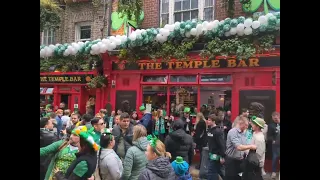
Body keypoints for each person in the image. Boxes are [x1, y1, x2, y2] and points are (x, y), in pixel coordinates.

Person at [206, 114, 225, 180]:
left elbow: (221, 144)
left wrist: (222, 156)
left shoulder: (217, 131)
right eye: (207, 119)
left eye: (209, 120)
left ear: (214, 121)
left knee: (211, 172)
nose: (207, 121)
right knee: (217, 171)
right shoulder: (209, 130)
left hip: (216, 155)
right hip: (210, 154)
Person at [267, 111, 280, 179]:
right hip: (275, 145)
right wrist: (273, 140)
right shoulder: (270, 125)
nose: (275, 119)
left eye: (277, 118)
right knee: (275, 158)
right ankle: (274, 172)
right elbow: (269, 136)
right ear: (272, 118)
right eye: (274, 118)